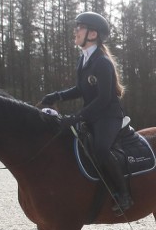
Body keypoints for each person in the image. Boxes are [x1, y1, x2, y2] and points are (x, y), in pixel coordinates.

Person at [41, 12, 133, 214]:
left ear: (92, 34)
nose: (76, 31)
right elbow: (80, 89)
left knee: (100, 149)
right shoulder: (83, 60)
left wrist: (78, 116)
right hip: (93, 114)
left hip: (109, 116)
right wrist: (56, 96)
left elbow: (104, 99)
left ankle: (123, 195)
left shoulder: (102, 62)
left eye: (79, 28)